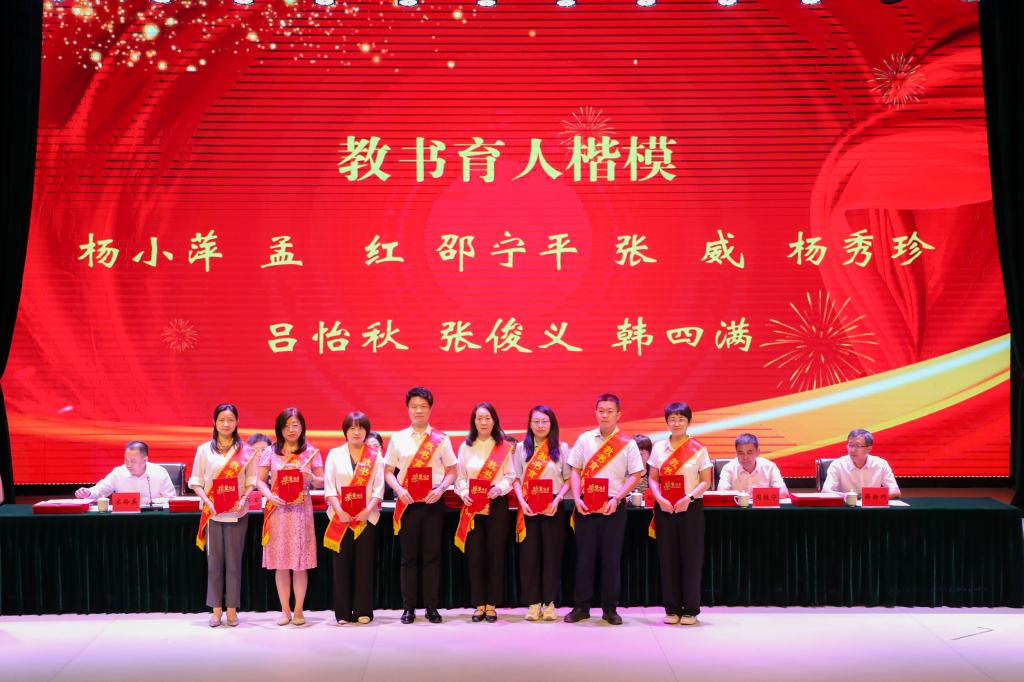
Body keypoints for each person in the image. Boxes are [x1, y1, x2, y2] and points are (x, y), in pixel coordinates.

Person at [564, 393, 644, 626]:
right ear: (595, 413)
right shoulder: (584, 439)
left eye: (610, 411)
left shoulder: (628, 443)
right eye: (601, 411)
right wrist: (577, 497)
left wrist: (617, 498)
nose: (605, 415)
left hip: (613, 505)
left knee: (611, 560)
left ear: (618, 414)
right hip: (586, 505)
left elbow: (637, 474)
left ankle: (610, 609)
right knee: (584, 559)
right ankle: (582, 607)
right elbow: (575, 470)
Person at [384, 386, 457, 624]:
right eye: (414, 406)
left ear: (430, 409)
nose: (418, 411)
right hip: (407, 503)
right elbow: (388, 471)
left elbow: (452, 471)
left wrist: (440, 489)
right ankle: (409, 608)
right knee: (408, 557)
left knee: (431, 556)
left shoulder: (441, 439)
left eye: (423, 407)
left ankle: (431, 607)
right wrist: (399, 490)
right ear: (407, 409)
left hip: (432, 502)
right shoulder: (398, 438)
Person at [188, 404, 258, 627]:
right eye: (221, 420)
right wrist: (208, 502)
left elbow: (251, 481)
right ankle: (216, 611)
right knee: (214, 564)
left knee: (234, 563)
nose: (226, 424)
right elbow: (196, 481)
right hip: (213, 514)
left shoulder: (246, 451)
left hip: (238, 513)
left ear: (236, 422)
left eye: (230, 420)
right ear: (214, 422)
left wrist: (243, 499)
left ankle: (232, 611)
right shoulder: (203, 450)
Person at [256, 407, 324, 626]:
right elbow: (259, 481)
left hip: (301, 512)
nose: (291, 430)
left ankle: (298, 610)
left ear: (302, 427)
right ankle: (285, 611)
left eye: (295, 425)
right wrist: (269, 496)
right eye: (286, 426)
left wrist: (311, 477)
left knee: (300, 564)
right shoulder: (270, 451)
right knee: (281, 563)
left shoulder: (310, 451)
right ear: (279, 429)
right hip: (278, 511)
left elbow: (321, 481)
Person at [648, 402, 712, 626]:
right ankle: (672, 608)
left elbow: (706, 481)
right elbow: (653, 478)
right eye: (672, 419)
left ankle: (691, 610)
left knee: (691, 559)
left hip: (690, 508)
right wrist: (660, 499)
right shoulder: (658, 448)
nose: (676, 423)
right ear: (667, 422)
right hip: (665, 508)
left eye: (681, 419)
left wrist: (689, 498)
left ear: (689, 422)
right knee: (668, 559)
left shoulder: (699, 449)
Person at [454, 402, 516, 623]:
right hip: (473, 506)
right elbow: (460, 477)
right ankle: (479, 603)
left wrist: (500, 488)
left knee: (495, 555)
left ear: (494, 421)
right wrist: (463, 492)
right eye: (479, 418)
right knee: (476, 556)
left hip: (496, 504)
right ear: (474, 422)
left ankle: (492, 604)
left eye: (487, 418)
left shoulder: (503, 447)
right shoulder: (465, 447)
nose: (483, 422)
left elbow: (510, 475)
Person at [324, 411, 385, 625]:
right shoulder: (334, 454)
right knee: (341, 567)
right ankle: (342, 613)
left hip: (366, 519)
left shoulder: (375, 457)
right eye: (352, 428)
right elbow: (329, 487)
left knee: (364, 565)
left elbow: (378, 488)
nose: (356, 432)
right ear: (345, 431)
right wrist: (339, 510)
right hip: (340, 518)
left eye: (360, 428)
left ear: (366, 431)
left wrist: (367, 510)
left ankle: (363, 611)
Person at [512, 405, 570, 622]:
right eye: (536, 421)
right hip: (528, 506)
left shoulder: (562, 448)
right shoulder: (521, 448)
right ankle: (533, 603)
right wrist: (521, 501)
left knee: (551, 556)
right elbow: (516, 478)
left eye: (544, 421)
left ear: (551, 424)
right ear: (530, 424)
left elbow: (568, 479)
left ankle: (549, 603)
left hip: (553, 506)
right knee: (530, 556)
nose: (540, 425)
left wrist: (558, 499)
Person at [75, 441, 176, 504]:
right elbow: (99, 491)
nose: (128, 465)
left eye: (133, 461)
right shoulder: (118, 473)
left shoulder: (160, 472)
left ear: (145, 460)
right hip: (125, 518)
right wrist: (87, 493)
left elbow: (171, 499)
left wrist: (152, 501)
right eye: (126, 460)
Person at [822, 429, 901, 499]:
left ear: (869, 448)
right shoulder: (837, 465)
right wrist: (848, 496)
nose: (852, 450)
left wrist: (867, 497)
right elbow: (825, 491)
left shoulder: (881, 464)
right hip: (847, 507)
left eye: (858, 446)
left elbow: (895, 491)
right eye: (850, 445)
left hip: (872, 507)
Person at [717, 433, 789, 498]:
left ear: (758, 452)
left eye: (749, 452)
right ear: (736, 453)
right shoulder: (728, 468)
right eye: (741, 453)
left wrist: (755, 495)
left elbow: (783, 492)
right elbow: (721, 493)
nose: (745, 457)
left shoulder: (770, 467)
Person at [631, 434, 653, 500]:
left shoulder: (654, 471)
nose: (640, 453)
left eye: (644, 450)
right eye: (637, 450)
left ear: (650, 453)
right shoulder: (624, 471)